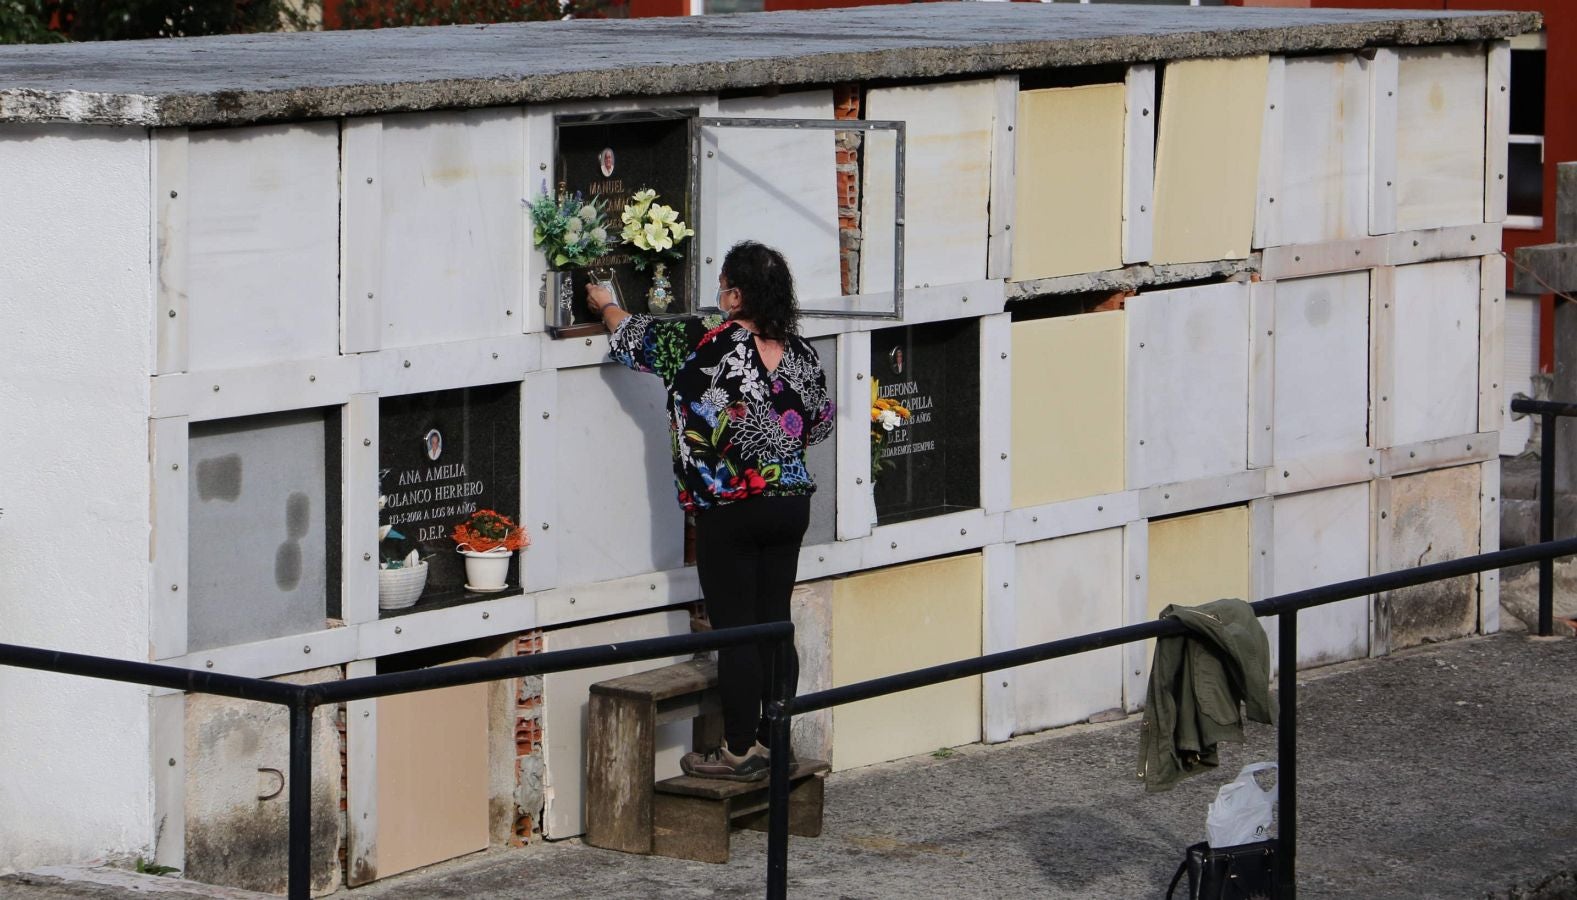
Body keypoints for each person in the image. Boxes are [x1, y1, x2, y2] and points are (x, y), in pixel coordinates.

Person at [587, 241, 834, 781]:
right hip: (790, 503)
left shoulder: (703, 340)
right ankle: (778, 740)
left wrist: (605, 302)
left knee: (736, 629)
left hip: (730, 505)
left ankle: (740, 751)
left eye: (722, 283)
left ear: (736, 293)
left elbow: (633, 338)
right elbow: (820, 423)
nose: (717, 291)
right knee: (775, 622)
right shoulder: (802, 352)